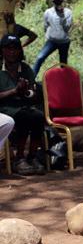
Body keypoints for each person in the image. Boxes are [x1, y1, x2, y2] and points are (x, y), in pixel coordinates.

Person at [0, 34, 46, 175]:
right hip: (4, 110)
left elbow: (33, 92)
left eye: (15, 48)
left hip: (24, 107)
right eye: (8, 49)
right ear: (2, 50)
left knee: (38, 116)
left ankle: (32, 156)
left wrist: (26, 92)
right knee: (24, 117)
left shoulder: (25, 69)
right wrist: (14, 91)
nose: (12, 52)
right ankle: (19, 158)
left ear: (20, 50)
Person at [33, 0, 72, 75]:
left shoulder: (68, 12)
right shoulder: (48, 12)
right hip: (51, 41)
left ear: (62, 1)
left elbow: (67, 28)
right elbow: (45, 26)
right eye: (55, 1)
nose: (57, 3)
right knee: (40, 57)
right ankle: (31, 79)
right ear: (53, 2)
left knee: (63, 64)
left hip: (64, 42)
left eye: (59, 1)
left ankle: (64, 80)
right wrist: (48, 36)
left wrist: (62, 16)